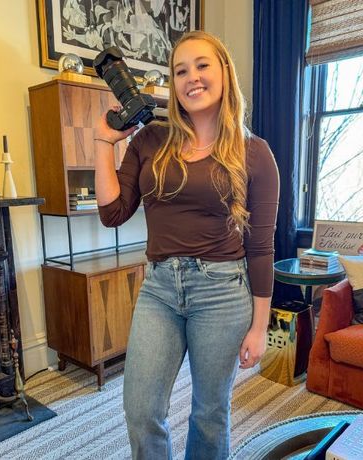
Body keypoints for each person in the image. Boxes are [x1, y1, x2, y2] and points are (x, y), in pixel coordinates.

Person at [94, 30, 279, 460]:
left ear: (224, 72)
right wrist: (104, 143)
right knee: (141, 410)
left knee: (209, 414)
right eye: (180, 70)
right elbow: (112, 213)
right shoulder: (149, 141)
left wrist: (259, 325)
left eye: (202, 65)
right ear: (173, 84)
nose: (191, 77)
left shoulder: (255, 153)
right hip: (159, 289)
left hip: (222, 293)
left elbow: (262, 246)